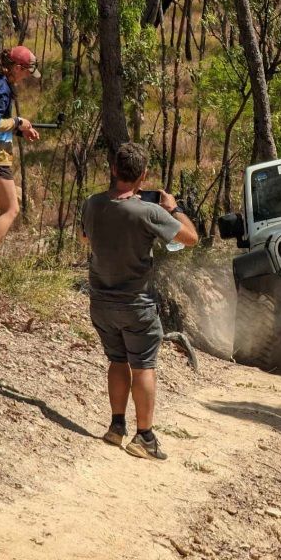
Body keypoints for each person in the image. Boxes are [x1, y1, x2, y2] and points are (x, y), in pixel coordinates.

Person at [81, 142, 199, 461]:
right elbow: (190, 238)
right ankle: (144, 436)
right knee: (143, 366)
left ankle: (116, 427)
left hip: (101, 303)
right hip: (137, 305)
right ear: (143, 176)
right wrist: (172, 208)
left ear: (114, 170)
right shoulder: (149, 211)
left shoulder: (91, 204)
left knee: (117, 361)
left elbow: (85, 237)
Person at [0, 46, 41, 248]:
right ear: (16, 68)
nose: (26, 77)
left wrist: (20, 130)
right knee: (11, 210)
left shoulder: (0, 83)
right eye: (26, 72)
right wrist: (17, 122)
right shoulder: (2, 88)